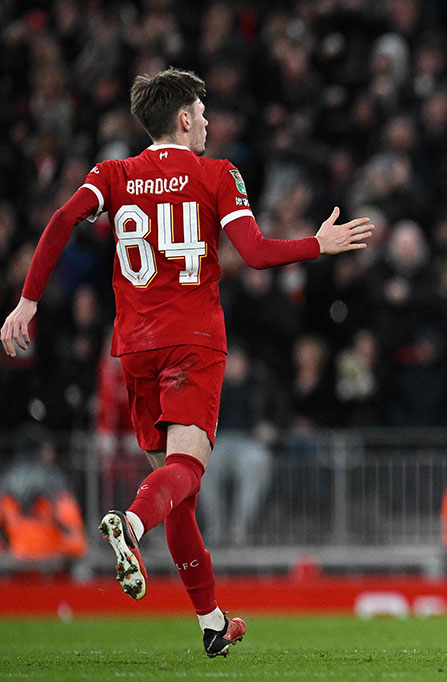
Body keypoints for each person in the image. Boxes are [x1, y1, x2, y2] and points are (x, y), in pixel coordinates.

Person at [0, 68, 372, 657]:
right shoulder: (217, 174)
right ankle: (130, 525)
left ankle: (212, 621)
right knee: (185, 474)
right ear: (182, 118)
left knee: (175, 488)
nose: (207, 122)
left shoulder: (112, 174)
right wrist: (315, 245)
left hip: (135, 348)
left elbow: (62, 220)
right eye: (201, 113)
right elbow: (253, 253)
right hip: (193, 341)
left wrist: (27, 301)